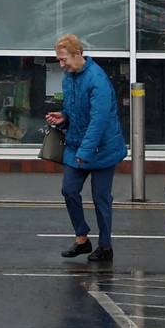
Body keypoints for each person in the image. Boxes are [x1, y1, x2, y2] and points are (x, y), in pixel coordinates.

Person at [46, 32, 125, 264]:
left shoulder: (97, 80)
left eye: (64, 59)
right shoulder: (69, 77)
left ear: (78, 54)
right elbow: (75, 110)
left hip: (102, 149)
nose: (62, 65)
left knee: (101, 198)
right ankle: (82, 239)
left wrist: (85, 152)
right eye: (59, 60)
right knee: (69, 190)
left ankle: (105, 247)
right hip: (78, 145)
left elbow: (98, 121)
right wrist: (64, 117)